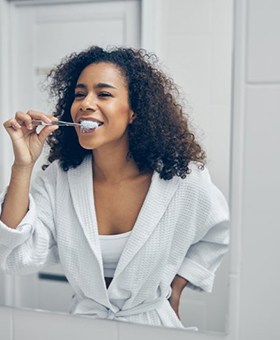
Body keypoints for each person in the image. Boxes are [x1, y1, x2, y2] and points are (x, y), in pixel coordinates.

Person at [0, 46, 229, 328]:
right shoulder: (60, 178)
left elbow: (216, 234)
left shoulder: (183, 179)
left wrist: (177, 286)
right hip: (85, 325)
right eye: (79, 94)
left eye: (104, 94)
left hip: (154, 326)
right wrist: (23, 165)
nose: (85, 103)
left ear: (134, 111)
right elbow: (14, 255)